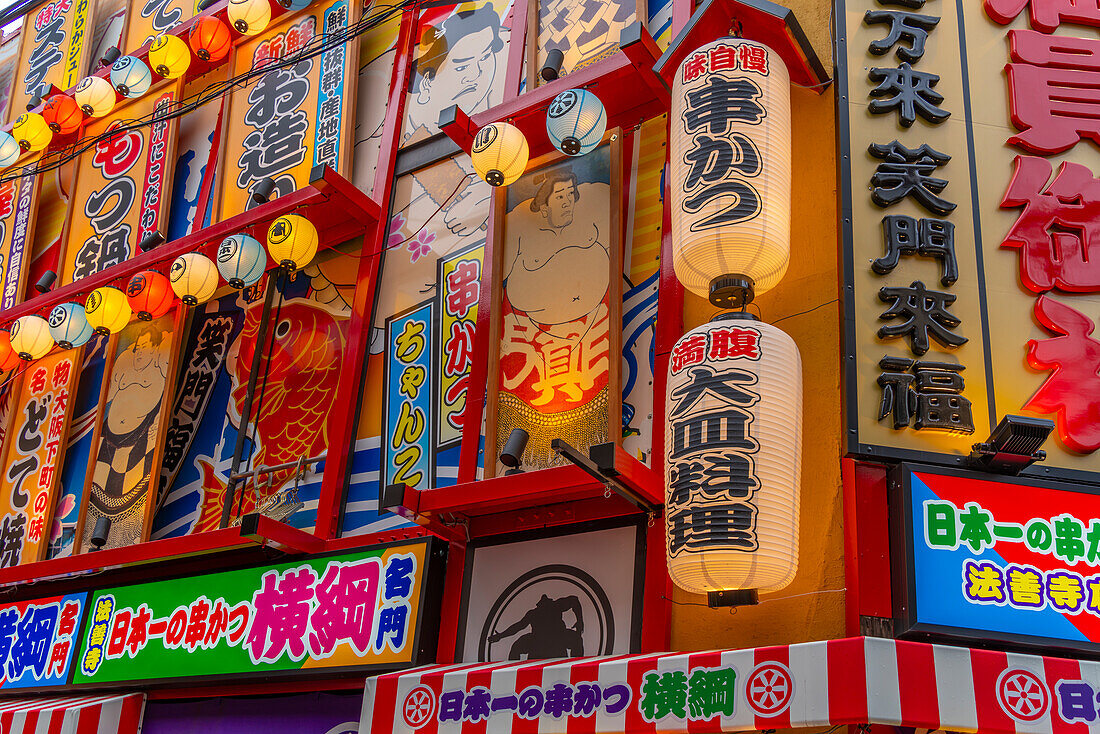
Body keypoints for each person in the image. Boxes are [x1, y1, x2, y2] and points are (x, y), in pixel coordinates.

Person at [503, 168, 611, 330]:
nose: (568, 202)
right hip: (535, 331)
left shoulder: (594, 199)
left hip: (602, 318)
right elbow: (497, 279)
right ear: (544, 207)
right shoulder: (518, 223)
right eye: (560, 196)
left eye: (570, 194)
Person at [404, 5, 506, 143]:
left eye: (484, 57)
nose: (475, 74)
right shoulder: (411, 134)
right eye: (461, 67)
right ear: (427, 82)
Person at [487, 594, 585, 659]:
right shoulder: (534, 613)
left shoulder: (555, 606)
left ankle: (576, 668)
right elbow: (518, 626)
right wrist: (500, 636)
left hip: (557, 638)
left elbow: (574, 600)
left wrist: (580, 621)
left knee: (576, 639)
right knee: (517, 646)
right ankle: (514, 674)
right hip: (538, 641)